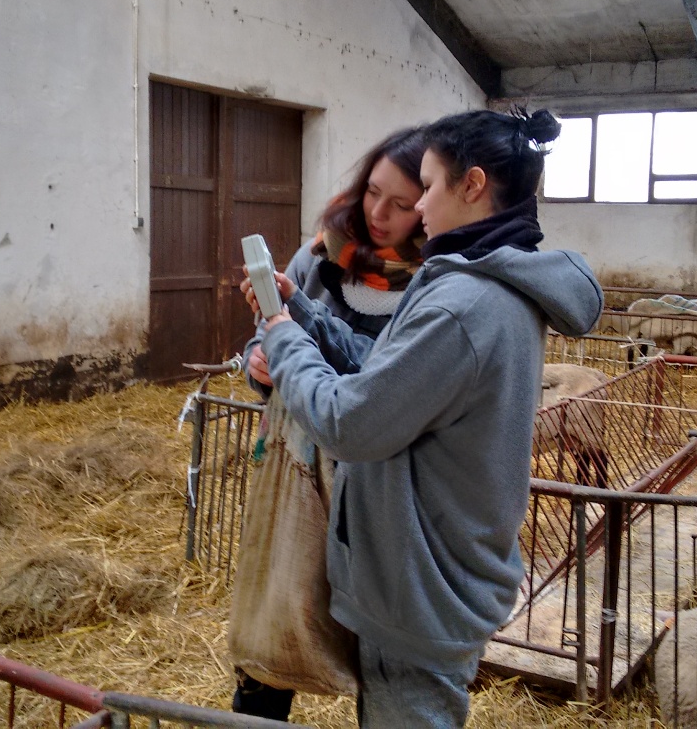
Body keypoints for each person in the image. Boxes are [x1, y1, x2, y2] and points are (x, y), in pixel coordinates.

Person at [253, 108, 603, 727]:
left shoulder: (463, 304)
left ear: (472, 185)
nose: (417, 207)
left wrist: (282, 338)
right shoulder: (472, 280)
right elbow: (386, 374)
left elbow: (350, 422)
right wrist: (304, 314)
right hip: (425, 563)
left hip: (421, 582)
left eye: (430, 185)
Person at [231, 126, 430, 721]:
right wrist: (260, 364)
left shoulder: (435, 281)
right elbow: (265, 337)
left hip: (379, 483)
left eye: (401, 204)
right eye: (373, 192)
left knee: (373, 636)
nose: (378, 213)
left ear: (429, 205)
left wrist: (297, 340)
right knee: (278, 607)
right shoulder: (318, 258)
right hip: (296, 465)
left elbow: (388, 378)